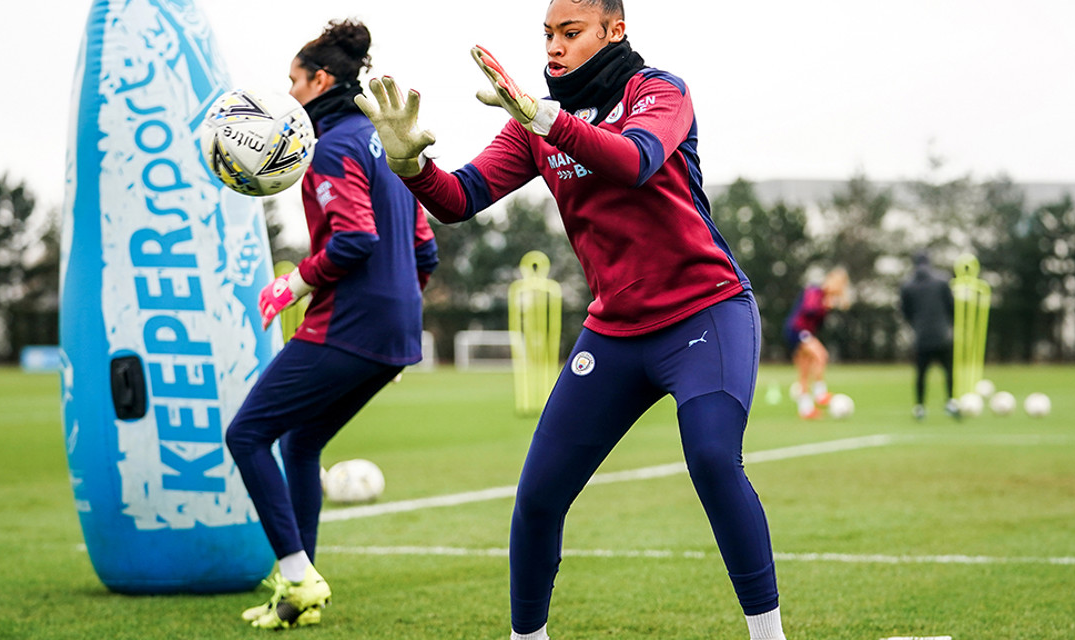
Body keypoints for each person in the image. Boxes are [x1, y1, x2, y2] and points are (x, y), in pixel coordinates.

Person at [355, 1, 786, 638]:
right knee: (538, 496)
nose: (554, 47)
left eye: (570, 32)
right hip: (615, 332)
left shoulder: (658, 91)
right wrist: (410, 167)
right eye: (548, 35)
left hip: (706, 311)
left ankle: (769, 635)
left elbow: (634, 160)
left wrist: (545, 117)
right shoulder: (536, 123)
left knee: (713, 458)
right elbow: (459, 198)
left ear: (614, 30)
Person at [224, 18, 438, 630]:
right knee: (300, 442)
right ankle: (299, 592)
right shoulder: (385, 143)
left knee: (246, 435)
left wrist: (291, 283)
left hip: (349, 325)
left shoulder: (332, 147)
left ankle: (297, 574)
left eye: (294, 81)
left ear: (320, 81)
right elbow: (425, 251)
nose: (288, 93)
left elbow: (354, 241)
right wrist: (395, 325)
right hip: (391, 332)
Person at [783, 268, 849, 419]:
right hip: (798, 330)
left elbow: (818, 323)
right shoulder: (814, 290)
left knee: (804, 372)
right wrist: (824, 305)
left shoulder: (825, 297)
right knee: (821, 355)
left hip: (803, 332)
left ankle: (806, 410)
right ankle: (820, 394)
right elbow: (809, 309)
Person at [900, 251, 959, 420]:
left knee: (921, 373)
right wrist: (948, 324)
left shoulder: (908, 285)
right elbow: (951, 306)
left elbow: (905, 312)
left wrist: (916, 325)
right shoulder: (942, 281)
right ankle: (950, 402)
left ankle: (919, 407)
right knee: (948, 370)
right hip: (942, 334)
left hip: (922, 336)